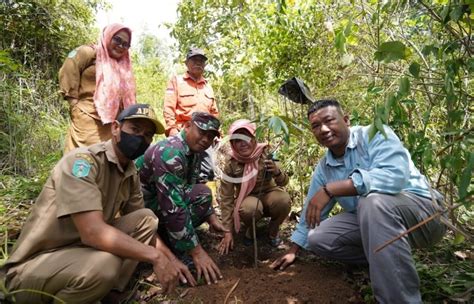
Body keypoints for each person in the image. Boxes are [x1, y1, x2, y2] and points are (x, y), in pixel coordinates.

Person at [3, 104, 196, 304]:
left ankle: (108, 292)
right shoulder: (83, 163)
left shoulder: (130, 172)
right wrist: (156, 257)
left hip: (79, 252)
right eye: (135, 130)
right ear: (115, 128)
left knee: (146, 218)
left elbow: (145, 226)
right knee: (104, 266)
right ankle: (91, 287)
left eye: (147, 135)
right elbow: (92, 232)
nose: (141, 139)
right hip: (33, 267)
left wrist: (172, 259)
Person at [271, 99, 446, 304]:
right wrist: (293, 250)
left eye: (329, 120)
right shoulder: (324, 167)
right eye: (316, 126)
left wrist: (332, 188)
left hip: (424, 214)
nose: (324, 129)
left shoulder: (375, 134)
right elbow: (313, 209)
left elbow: (395, 176)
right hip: (376, 224)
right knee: (318, 238)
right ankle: (385, 261)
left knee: (372, 202)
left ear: (346, 120)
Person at [139, 112, 227, 286]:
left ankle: (171, 239)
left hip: (160, 202)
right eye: (201, 132)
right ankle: (175, 248)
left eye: (210, 137)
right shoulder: (171, 152)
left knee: (202, 194)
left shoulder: (192, 152)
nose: (205, 140)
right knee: (192, 200)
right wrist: (196, 252)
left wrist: (212, 219)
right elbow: (174, 207)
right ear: (187, 126)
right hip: (140, 208)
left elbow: (189, 188)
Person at [59, 23, 136, 153]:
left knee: (107, 161)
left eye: (125, 44)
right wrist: (73, 103)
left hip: (113, 124)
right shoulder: (88, 52)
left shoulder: (124, 65)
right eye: (117, 40)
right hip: (87, 120)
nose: (121, 46)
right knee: (82, 160)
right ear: (108, 36)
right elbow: (69, 69)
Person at [217, 119, 291, 254]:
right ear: (232, 144)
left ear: (253, 138)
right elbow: (226, 198)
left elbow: (284, 182)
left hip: (270, 194)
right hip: (248, 198)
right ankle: (251, 231)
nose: (243, 143)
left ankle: (273, 232)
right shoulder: (231, 164)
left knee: (283, 200)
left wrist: (276, 171)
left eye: (247, 137)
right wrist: (227, 231)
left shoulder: (266, 154)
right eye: (238, 140)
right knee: (249, 209)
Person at [163, 47, 219, 181]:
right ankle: (179, 197)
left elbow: (214, 112)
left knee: (208, 171)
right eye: (194, 60)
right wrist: (172, 129)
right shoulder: (177, 81)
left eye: (201, 61)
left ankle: (202, 198)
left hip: (205, 135)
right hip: (183, 132)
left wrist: (216, 133)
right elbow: (168, 106)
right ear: (186, 63)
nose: (198, 63)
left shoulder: (207, 86)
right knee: (180, 168)